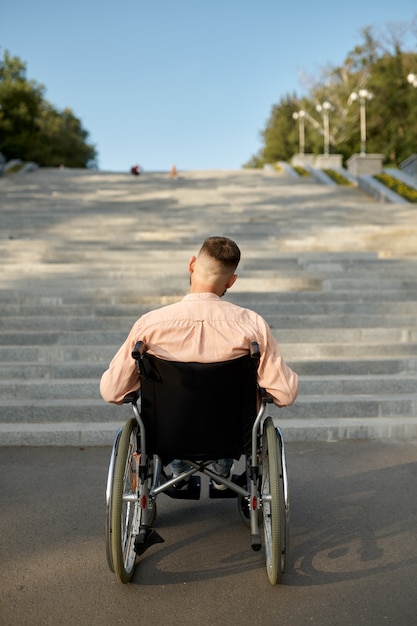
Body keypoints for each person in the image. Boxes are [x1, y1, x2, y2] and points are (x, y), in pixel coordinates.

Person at [100, 236, 298, 489]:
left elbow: (112, 391)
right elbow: (286, 394)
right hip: (231, 434)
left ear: (192, 264)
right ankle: (223, 468)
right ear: (231, 281)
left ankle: (178, 467)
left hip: (168, 432)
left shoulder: (150, 324)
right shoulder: (252, 325)